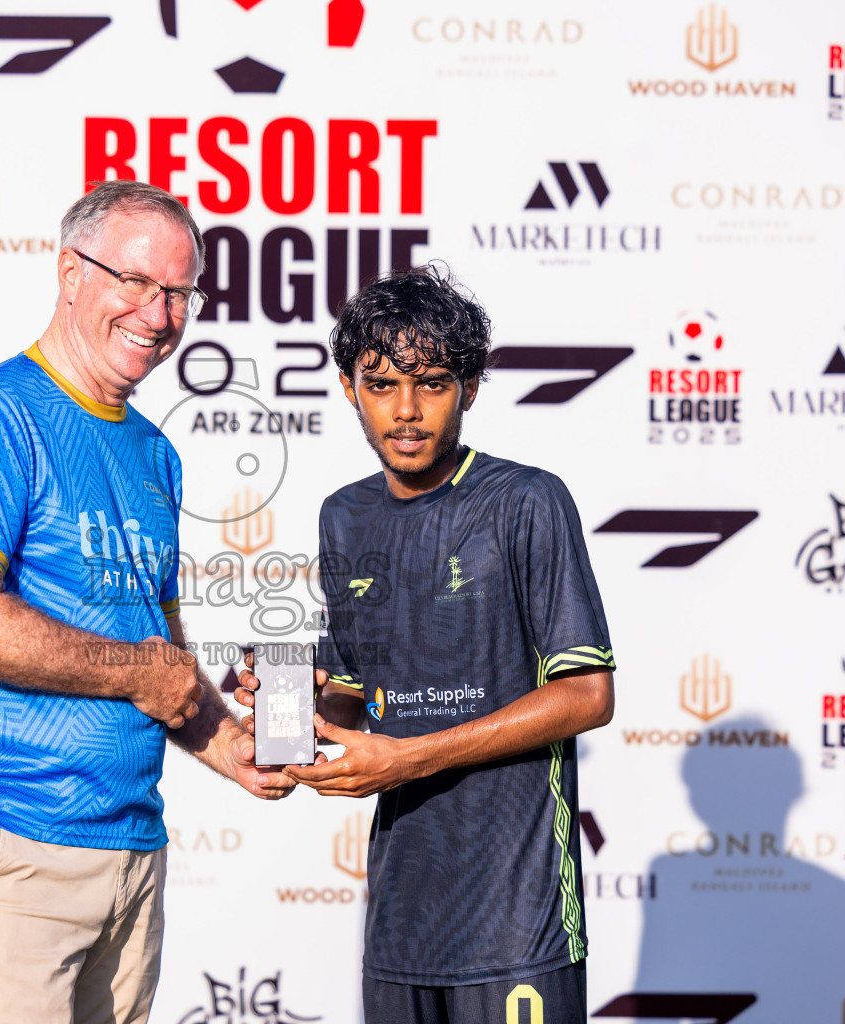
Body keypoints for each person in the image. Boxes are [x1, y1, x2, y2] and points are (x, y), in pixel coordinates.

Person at [0, 180, 294, 1024]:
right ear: (70, 272)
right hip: (6, 835)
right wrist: (135, 671)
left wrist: (234, 745)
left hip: (129, 847)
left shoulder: (153, 454)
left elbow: (159, 657)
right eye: (136, 281)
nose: (158, 314)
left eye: (179, 293)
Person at [237, 265, 616, 1024]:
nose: (406, 411)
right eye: (381, 385)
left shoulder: (526, 499)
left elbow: (587, 695)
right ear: (349, 388)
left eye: (432, 384)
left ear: (469, 388)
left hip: (517, 922)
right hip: (400, 923)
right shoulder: (344, 515)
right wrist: (300, 710)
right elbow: (357, 690)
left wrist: (410, 759)